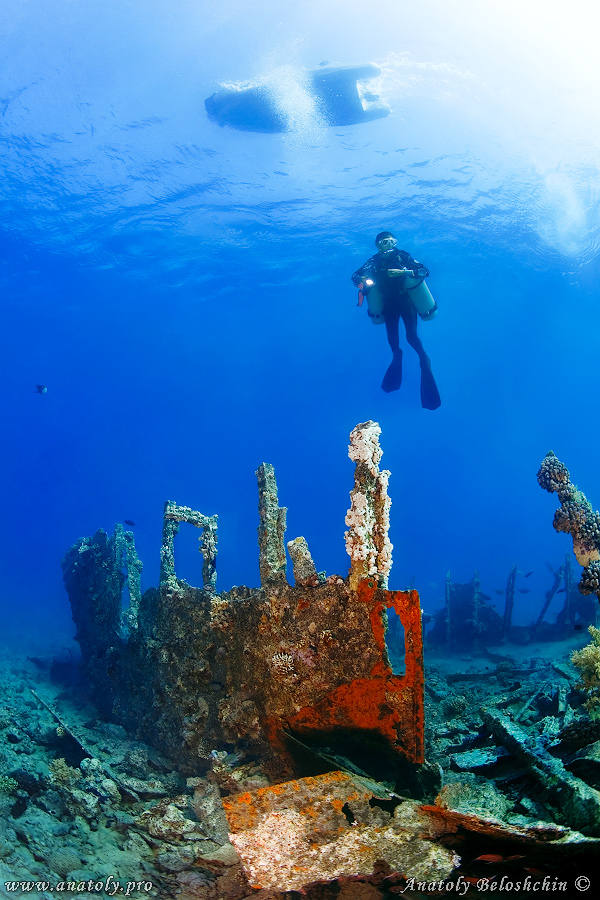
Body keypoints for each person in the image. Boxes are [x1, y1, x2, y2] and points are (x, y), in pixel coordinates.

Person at [351, 232, 441, 409]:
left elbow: (425, 271)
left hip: (405, 302)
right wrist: (363, 279)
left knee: (411, 336)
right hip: (388, 305)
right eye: (385, 242)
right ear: (378, 244)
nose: (389, 244)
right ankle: (397, 356)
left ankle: (423, 358)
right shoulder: (373, 261)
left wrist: (404, 271)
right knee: (393, 340)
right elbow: (355, 277)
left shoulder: (401, 256)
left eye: (392, 241)